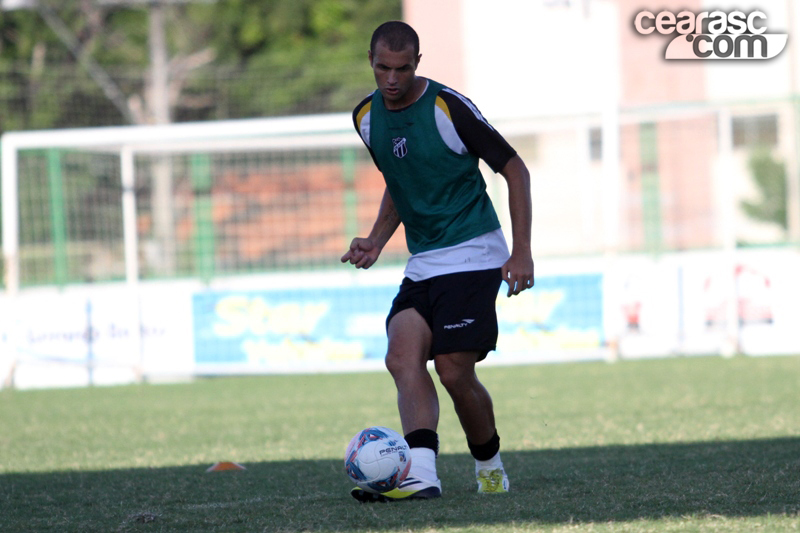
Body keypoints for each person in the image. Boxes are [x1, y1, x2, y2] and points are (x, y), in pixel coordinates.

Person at [341, 20, 534, 502]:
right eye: (383, 67)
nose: (391, 78)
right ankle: (421, 474)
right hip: (424, 261)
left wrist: (522, 250)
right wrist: (377, 239)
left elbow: (515, 168)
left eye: (402, 68)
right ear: (370, 61)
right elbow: (399, 179)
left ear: (417, 64)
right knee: (401, 356)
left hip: (474, 253)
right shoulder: (366, 117)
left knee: (452, 369)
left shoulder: (448, 107)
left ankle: (488, 464)